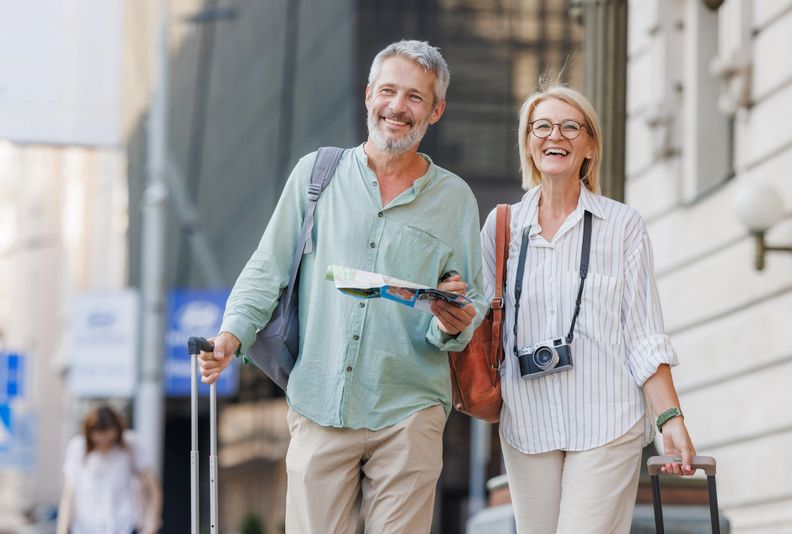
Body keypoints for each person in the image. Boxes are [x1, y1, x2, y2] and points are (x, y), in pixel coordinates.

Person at [199, 40, 485, 533]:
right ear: (368, 94)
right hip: (319, 400)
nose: (398, 107)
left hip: (409, 407)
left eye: (415, 97)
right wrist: (231, 336)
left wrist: (452, 319)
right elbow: (268, 267)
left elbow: (468, 298)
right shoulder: (316, 175)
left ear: (435, 110)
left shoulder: (455, 198)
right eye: (389, 91)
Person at [481, 83, 696, 534]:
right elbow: (483, 323)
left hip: (607, 420)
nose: (553, 135)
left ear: (590, 145)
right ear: (527, 142)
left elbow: (643, 333)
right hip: (528, 424)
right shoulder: (501, 227)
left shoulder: (622, 226)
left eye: (569, 126)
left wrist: (669, 419)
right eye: (541, 126)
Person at [56, 405, 162, 534]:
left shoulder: (130, 444)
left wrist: (151, 524)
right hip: (86, 526)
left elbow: (153, 486)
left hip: (124, 525)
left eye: (109, 439)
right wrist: (62, 529)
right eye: (98, 439)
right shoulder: (77, 447)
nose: (104, 443)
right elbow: (69, 493)